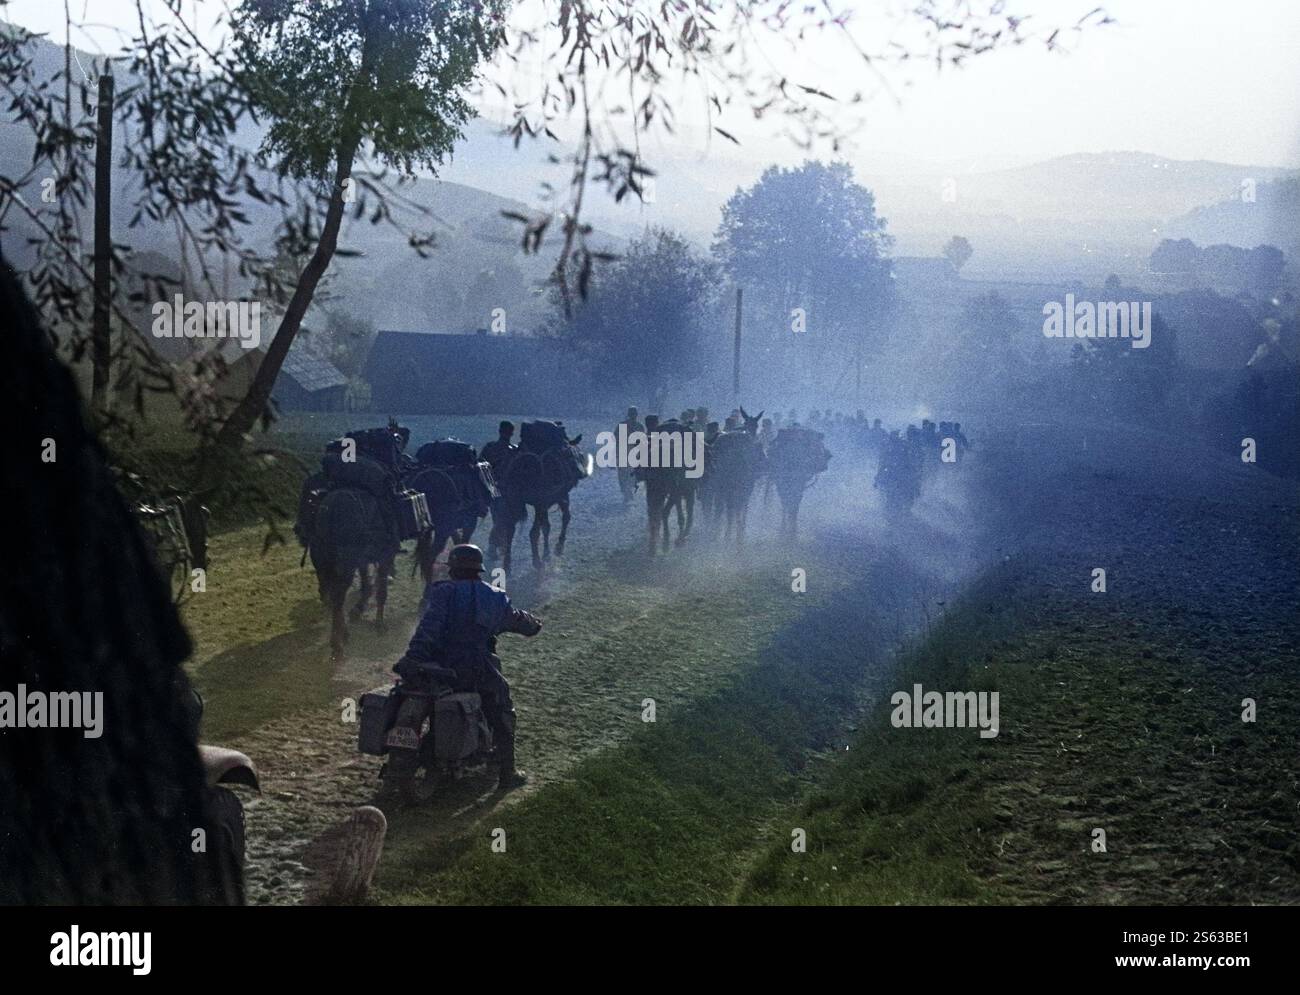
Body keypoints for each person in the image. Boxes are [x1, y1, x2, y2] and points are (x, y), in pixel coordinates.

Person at [394, 544, 541, 791]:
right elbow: (516, 620)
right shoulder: (494, 597)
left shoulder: (442, 592)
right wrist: (533, 624)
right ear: (478, 570)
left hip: (435, 666)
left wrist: (413, 658)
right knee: (503, 709)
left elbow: (428, 628)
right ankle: (507, 774)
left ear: (453, 570)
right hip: (474, 667)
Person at [617, 406, 644, 506]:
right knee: (626, 475)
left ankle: (627, 492)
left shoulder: (623, 425)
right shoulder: (639, 426)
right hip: (628, 454)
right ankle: (627, 492)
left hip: (628, 454)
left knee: (626, 476)